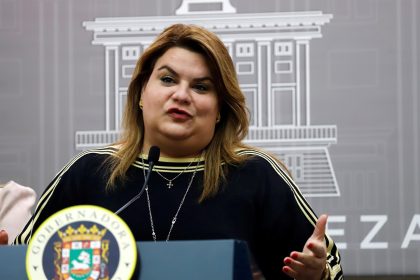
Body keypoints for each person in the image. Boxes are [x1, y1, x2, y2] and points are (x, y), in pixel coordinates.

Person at [13, 24, 343, 279]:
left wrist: (317, 273)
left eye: (201, 87)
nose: (182, 95)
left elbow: (325, 264)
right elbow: (22, 260)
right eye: (168, 80)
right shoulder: (87, 173)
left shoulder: (256, 174)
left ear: (219, 110)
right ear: (142, 93)